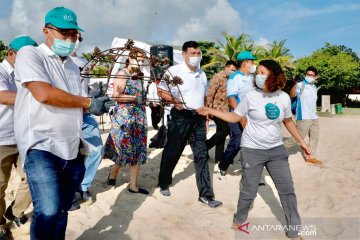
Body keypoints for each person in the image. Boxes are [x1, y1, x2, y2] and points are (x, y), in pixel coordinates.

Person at [13, 7, 112, 239]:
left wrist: (94, 101)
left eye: (74, 35)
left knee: (62, 209)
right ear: (46, 31)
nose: (70, 39)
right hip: (41, 146)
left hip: (71, 147)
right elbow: (44, 94)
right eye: (64, 33)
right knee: (47, 210)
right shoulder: (30, 54)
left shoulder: (72, 66)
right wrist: (87, 101)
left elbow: (76, 103)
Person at [197, 59, 310, 239]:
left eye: (262, 72)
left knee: (287, 190)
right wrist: (211, 110)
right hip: (252, 150)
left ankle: (294, 230)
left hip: (276, 151)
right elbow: (234, 116)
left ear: (273, 75)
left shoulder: (284, 97)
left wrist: (302, 143)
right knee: (249, 191)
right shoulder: (250, 96)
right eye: (258, 72)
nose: (257, 75)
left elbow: (288, 121)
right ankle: (239, 219)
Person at [157, 41, 222, 208]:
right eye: (192, 53)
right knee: (173, 151)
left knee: (201, 154)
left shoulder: (202, 73)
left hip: (199, 118)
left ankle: (206, 194)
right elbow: (161, 90)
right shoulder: (174, 71)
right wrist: (175, 101)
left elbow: (203, 95)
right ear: (184, 54)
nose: (196, 56)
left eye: (198, 53)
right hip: (180, 116)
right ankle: (164, 182)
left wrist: (207, 112)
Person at [0, 36, 37, 239]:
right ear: (11, 54)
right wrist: (40, 95)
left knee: (32, 178)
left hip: (24, 136)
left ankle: (14, 211)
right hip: (1, 139)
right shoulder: (1, 71)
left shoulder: (27, 74)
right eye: (25, 56)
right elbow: (3, 96)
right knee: (0, 185)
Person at [104, 48, 149, 195]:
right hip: (125, 117)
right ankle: (114, 173)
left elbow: (140, 95)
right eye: (138, 59)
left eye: (142, 61)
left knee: (136, 150)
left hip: (139, 116)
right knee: (124, 150)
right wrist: (133, 99)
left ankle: (133, 185)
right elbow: (116, 96)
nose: (140, 63)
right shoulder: (123, 74)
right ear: (130, 58)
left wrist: (144, 100)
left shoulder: (139, 76)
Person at [69, 36, 104, 210]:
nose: (76, 40)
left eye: (78, 38)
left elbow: (85, 88)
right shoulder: (56, 61)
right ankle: (70, 193)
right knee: (68, 156)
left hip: (86, 115)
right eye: (72, 36)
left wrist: (95, 94)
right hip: (67, 115)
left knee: (97, 151)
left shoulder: (85, 62)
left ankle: (83, 186)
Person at [217, 51, 257, 179]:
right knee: (236, 143)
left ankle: (250, 173)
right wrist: (241, 117)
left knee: (252, 144)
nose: (254, 64)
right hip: (236, 116)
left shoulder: (252, 78)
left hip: (251, 116)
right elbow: (232, 99)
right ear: (245, 63)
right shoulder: (234, 78)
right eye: (252, 61)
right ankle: (223, 166)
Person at [284, 66, 322, 165]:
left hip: (314, 117)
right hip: (303, 117)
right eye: (308, 74)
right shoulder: (300, 85)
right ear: (305, 75)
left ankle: (310, 156)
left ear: (315, 77)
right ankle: (279, 150)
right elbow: (292, 95)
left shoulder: (314, 87)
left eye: (312, 75)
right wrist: (295, 84)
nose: (310, 76)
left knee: (315, 137)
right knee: (297, 137)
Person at [205, 60, 237, 163]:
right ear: (226, 68)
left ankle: (219, 157)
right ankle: (205, 146)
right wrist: (209, 109)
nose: (233, 71)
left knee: (221, 133)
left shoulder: (232, 79)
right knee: (225, 130)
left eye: (235, 70)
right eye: (232, 69)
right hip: (217, 109)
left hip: (227, 110)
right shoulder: (218, 77)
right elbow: (210, 93)